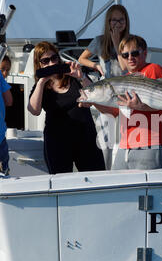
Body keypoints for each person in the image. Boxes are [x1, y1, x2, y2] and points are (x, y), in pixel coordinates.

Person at [80, 34, 162, 170]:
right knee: (118, 188)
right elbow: (114, 112)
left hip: (151, 144)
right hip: (125, 147)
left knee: (146, 191)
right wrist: (94, 102)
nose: (130, 58)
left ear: (145, 53)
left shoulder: (154, 69)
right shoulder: (125, 79)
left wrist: (141, 107)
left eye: (134, 53)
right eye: (125, 55)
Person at [28, 41, 105, 174]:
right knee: (61, 183)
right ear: (39, 64)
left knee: (97, 179)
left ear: (58, 58)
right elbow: (34, 110)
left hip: (85, 139)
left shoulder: (74, 79)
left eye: (54, 58)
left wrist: (81, 77)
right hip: (57, 143)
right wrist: (41, 81)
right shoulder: (41, 87)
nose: (51, 63)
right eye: (45, 61)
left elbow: (94, 97)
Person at [78, 4, 130, 169]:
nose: (117, 23)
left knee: (124, 138)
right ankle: (106, 171)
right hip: (107, 96)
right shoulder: (99, 41)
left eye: (121, 20)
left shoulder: (130, 42)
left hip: (126, 95)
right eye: (114, 20)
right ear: (108, 22)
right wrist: (95, 66)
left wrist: (116, 43)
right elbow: (82, 59)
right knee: (106, 140)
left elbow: (125, 68)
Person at [0, 55, 13, 175]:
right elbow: (9, 101)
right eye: (2, 69)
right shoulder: (1, 80)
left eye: (7, 70)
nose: (4, 73)